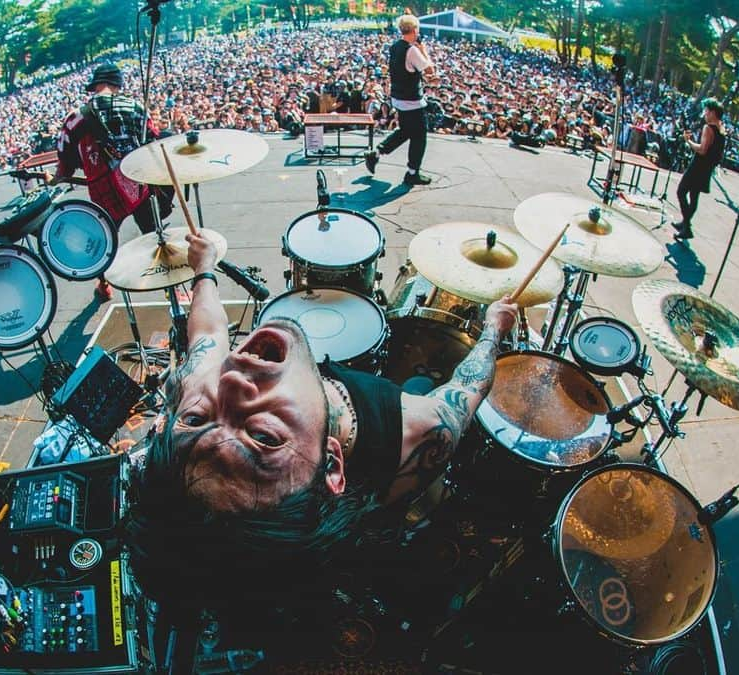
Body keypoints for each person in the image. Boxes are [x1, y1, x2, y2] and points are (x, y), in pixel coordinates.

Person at [125, 230, 518, 612]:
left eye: (195, 420)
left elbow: (207, 333)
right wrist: (492, 333)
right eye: (263, 436)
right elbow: (467, 390)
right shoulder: (417, 435)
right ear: (331, 462)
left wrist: (205, 268)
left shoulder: (198, 391)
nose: (227, 380)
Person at [48, 63, 173, 300]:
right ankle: (172, 289)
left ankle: (104, 285)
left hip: (105, 193)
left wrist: (56, 179)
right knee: (155, 235)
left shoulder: (76, 118)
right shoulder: (136, 107)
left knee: (103, 243)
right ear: (117, 86)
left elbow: (65, 158)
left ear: (95, 86)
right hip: (139, 187)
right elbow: (154, 142)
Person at [363, 14, 437, 186]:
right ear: (415, 30)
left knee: (405, 131)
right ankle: (412, 173)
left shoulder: (395, 47)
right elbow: (430, 72)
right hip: (412, 101)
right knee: (419, 136)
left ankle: (377, 153)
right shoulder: (412, 50)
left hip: (399, 98)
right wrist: (423, 49)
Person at [673, 98, 726, 240]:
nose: (705, 113)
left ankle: (687, 226)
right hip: (706, 168)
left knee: (681, 191)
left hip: (698, 166)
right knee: (694, 196)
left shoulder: (708, 128)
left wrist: (688, 141)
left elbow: (702, 150)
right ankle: (685, 224)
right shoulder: (721, 131)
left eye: (707, 111)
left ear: (713, 112)